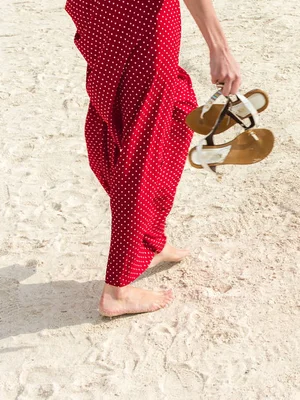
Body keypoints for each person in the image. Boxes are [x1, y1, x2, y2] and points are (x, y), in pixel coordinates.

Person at [65, 0, 240, 317]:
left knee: (134, 119)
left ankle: (151, 239)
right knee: (144, 143)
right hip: (141, 16)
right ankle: (117, 290)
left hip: (96, 13)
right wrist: (220, 47)